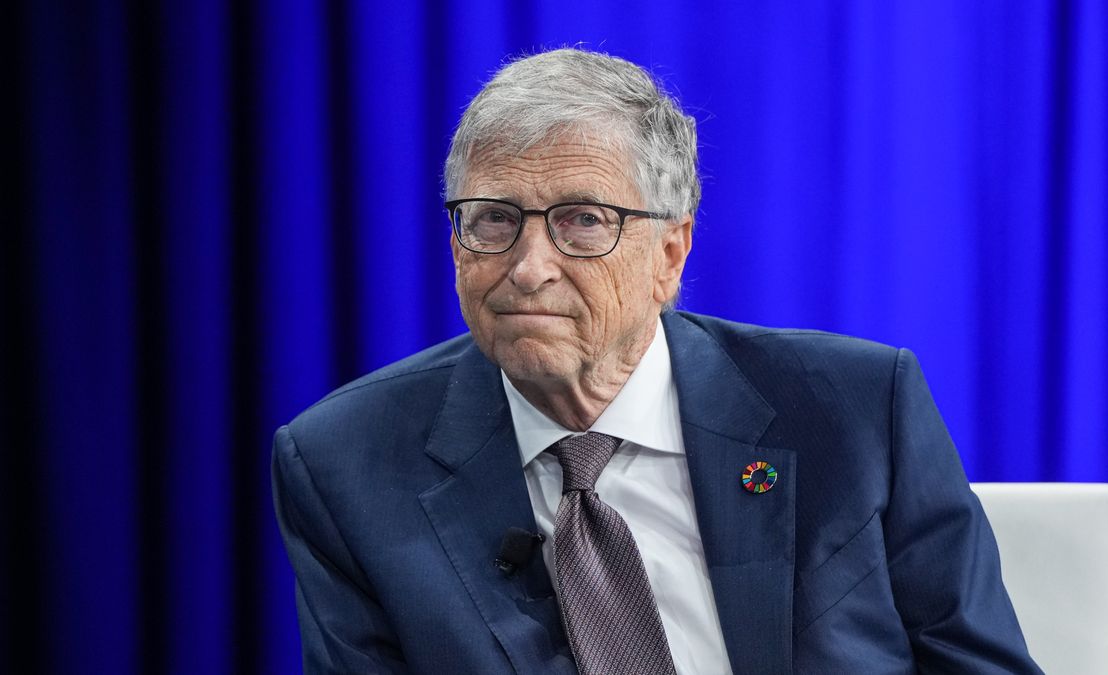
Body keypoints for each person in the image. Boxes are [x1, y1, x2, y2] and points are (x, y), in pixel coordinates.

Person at [272, 48, 1042, 674]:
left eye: (582, 221)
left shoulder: (856, 407)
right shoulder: (349, 463)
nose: (529, 265)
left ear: (669, 253)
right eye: (494, 220)